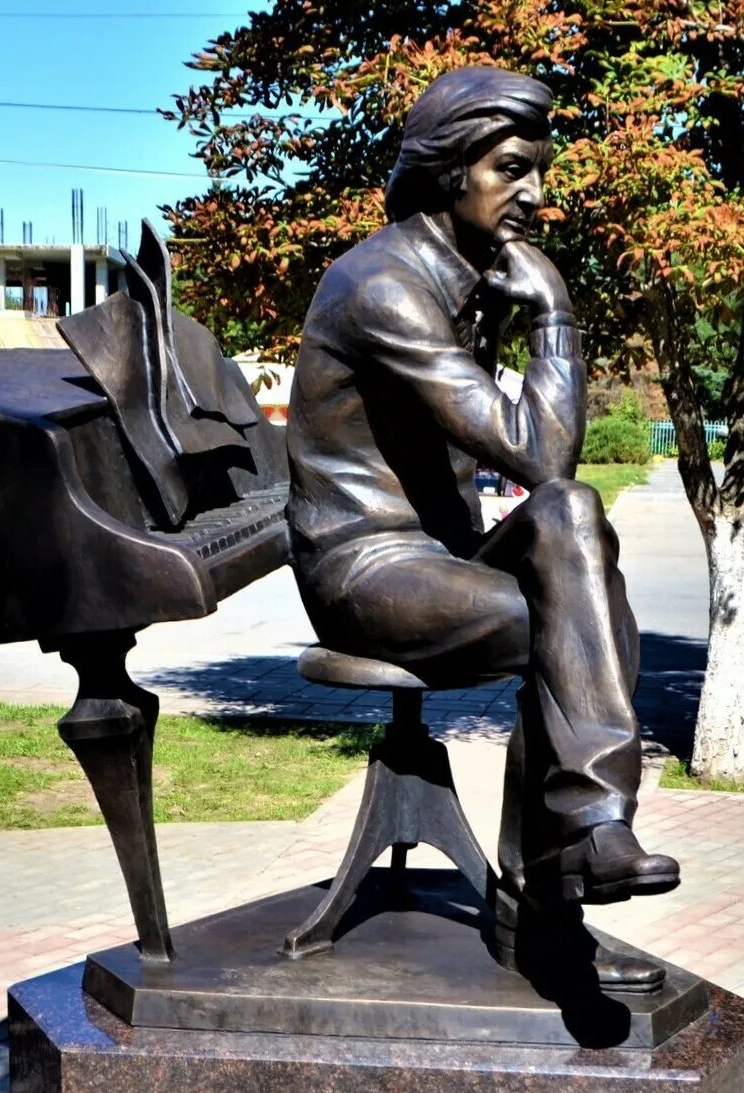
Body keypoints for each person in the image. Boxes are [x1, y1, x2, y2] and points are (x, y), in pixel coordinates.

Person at [284, 65, 678, 991]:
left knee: (573, 523)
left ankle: (586, 837)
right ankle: (552, 891)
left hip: (443, 557)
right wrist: (554, 318)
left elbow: (557, 483)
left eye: (538, 170)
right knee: (572, 623)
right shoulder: (381, 286)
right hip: (365, 567)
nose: (535, 194)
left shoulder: (463, 275)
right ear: (448, 171)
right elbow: (537, 449)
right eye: (512, 169)